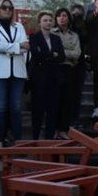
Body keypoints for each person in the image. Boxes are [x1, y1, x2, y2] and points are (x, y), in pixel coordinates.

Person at [0, 0, 29, 147]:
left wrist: (10, 47)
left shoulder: (19, 26)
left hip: (18, 71)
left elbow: (26, 46)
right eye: (4, 7)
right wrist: (16, 47)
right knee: (0, 107)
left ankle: (18, 141)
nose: (8, 10)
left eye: (10, 8)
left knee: (16, 108)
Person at [28, 11, 65, 140]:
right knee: (38, 110)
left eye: (50, 20)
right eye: (45, 20)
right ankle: (35, 138)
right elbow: (36, 54)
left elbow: (61, 57)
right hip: (38, 78)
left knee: (53, 110)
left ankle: (49, 139)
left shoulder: (56, 38)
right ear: (39, 22)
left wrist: (47, 55)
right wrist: (51, 54)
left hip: (54, 78)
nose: (48, 22)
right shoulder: (34, 37)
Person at [52, 8, 81, 139]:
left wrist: (62, 53)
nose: (62, 18)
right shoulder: (51, 33)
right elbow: (52, 52)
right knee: (54, 100)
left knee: (67, 101)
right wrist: (64, 54)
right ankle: (53, 129)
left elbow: (77, 53)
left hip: (69, 70)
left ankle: (63, 129)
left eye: (64, 15)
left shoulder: (74, 35)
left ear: (68, 18)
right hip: (55, 69)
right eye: (59, 16)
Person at [69, 3, 89, 128]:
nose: (76, 15)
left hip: (80, 62)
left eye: (79, 13)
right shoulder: (68, 27)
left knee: (77, 94)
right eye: (74, 13)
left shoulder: (84, 27)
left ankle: (75, 119)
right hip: (68, 63)